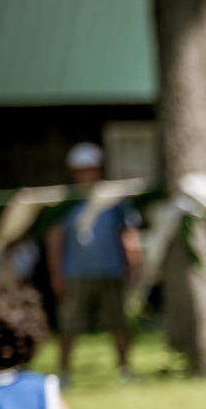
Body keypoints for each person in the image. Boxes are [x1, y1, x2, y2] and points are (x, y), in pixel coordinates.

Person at [46, 142, 140, 384]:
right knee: (69, 326)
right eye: (81, 169)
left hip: (111, 271)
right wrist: (56, 273)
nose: (87, 173)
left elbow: (127, 234)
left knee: (118, 323)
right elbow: (54, 239)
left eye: (91, 168)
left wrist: (133, 265)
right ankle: (64, 374)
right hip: (74, 273)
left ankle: (125, 370)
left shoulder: (115, 200)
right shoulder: (65, 201)